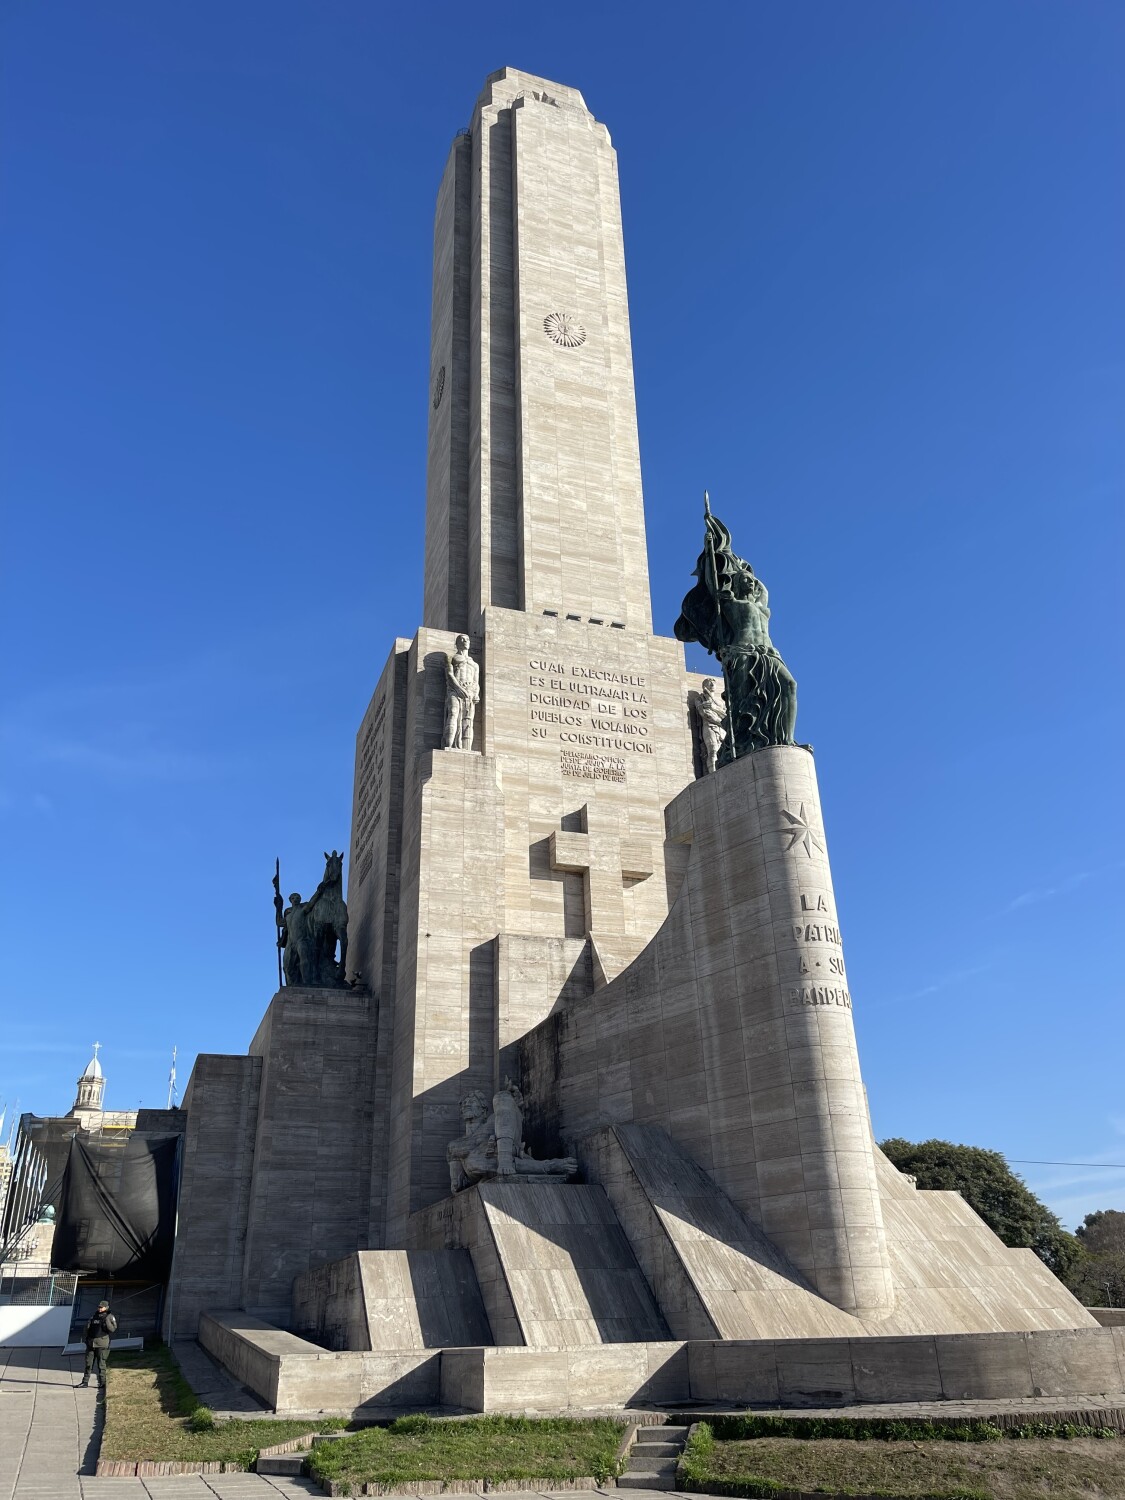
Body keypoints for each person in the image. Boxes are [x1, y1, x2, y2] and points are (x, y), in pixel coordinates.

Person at [79, 1299, 116, 1390]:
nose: (99, 1308)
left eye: (101, 1307)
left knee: (101, 1364)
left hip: (102, 1344)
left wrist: (106, 1321)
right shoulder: (93, 1317)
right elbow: (87, 1328)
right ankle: (85, 1382)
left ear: (106, 1308)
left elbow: (112, 1329)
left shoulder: (110, 1317)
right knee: (88, 1363)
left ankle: (102, 1382)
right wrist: (86, 1339)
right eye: (99, 1307)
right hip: (91, 1343)